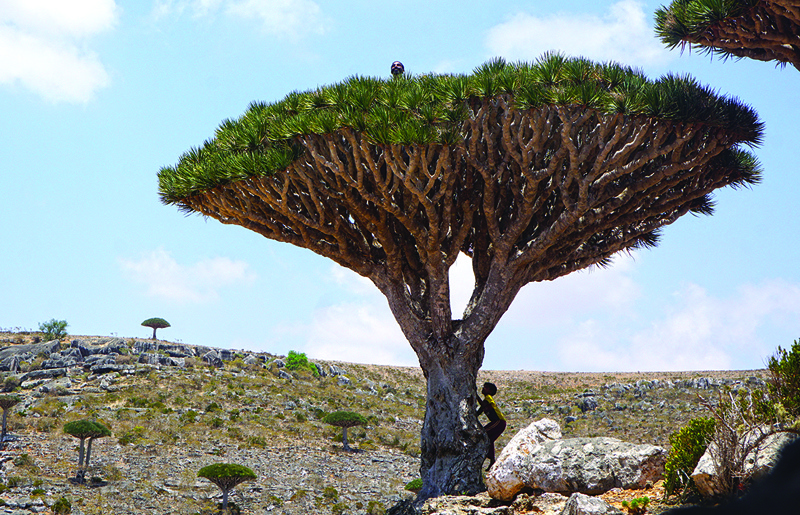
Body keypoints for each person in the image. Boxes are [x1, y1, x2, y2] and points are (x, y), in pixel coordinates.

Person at [476, 382, 506, 470]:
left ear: (490, 391)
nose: (483, 388)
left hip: (499, 422)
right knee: (489, 439)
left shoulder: (488, 398)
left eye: (486, 388)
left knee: (484, 433)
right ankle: (492, 460)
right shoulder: (486, 400)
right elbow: (479, 412)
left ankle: (489, 458)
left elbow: (483, 405)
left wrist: (475, 395)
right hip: (498, 423)